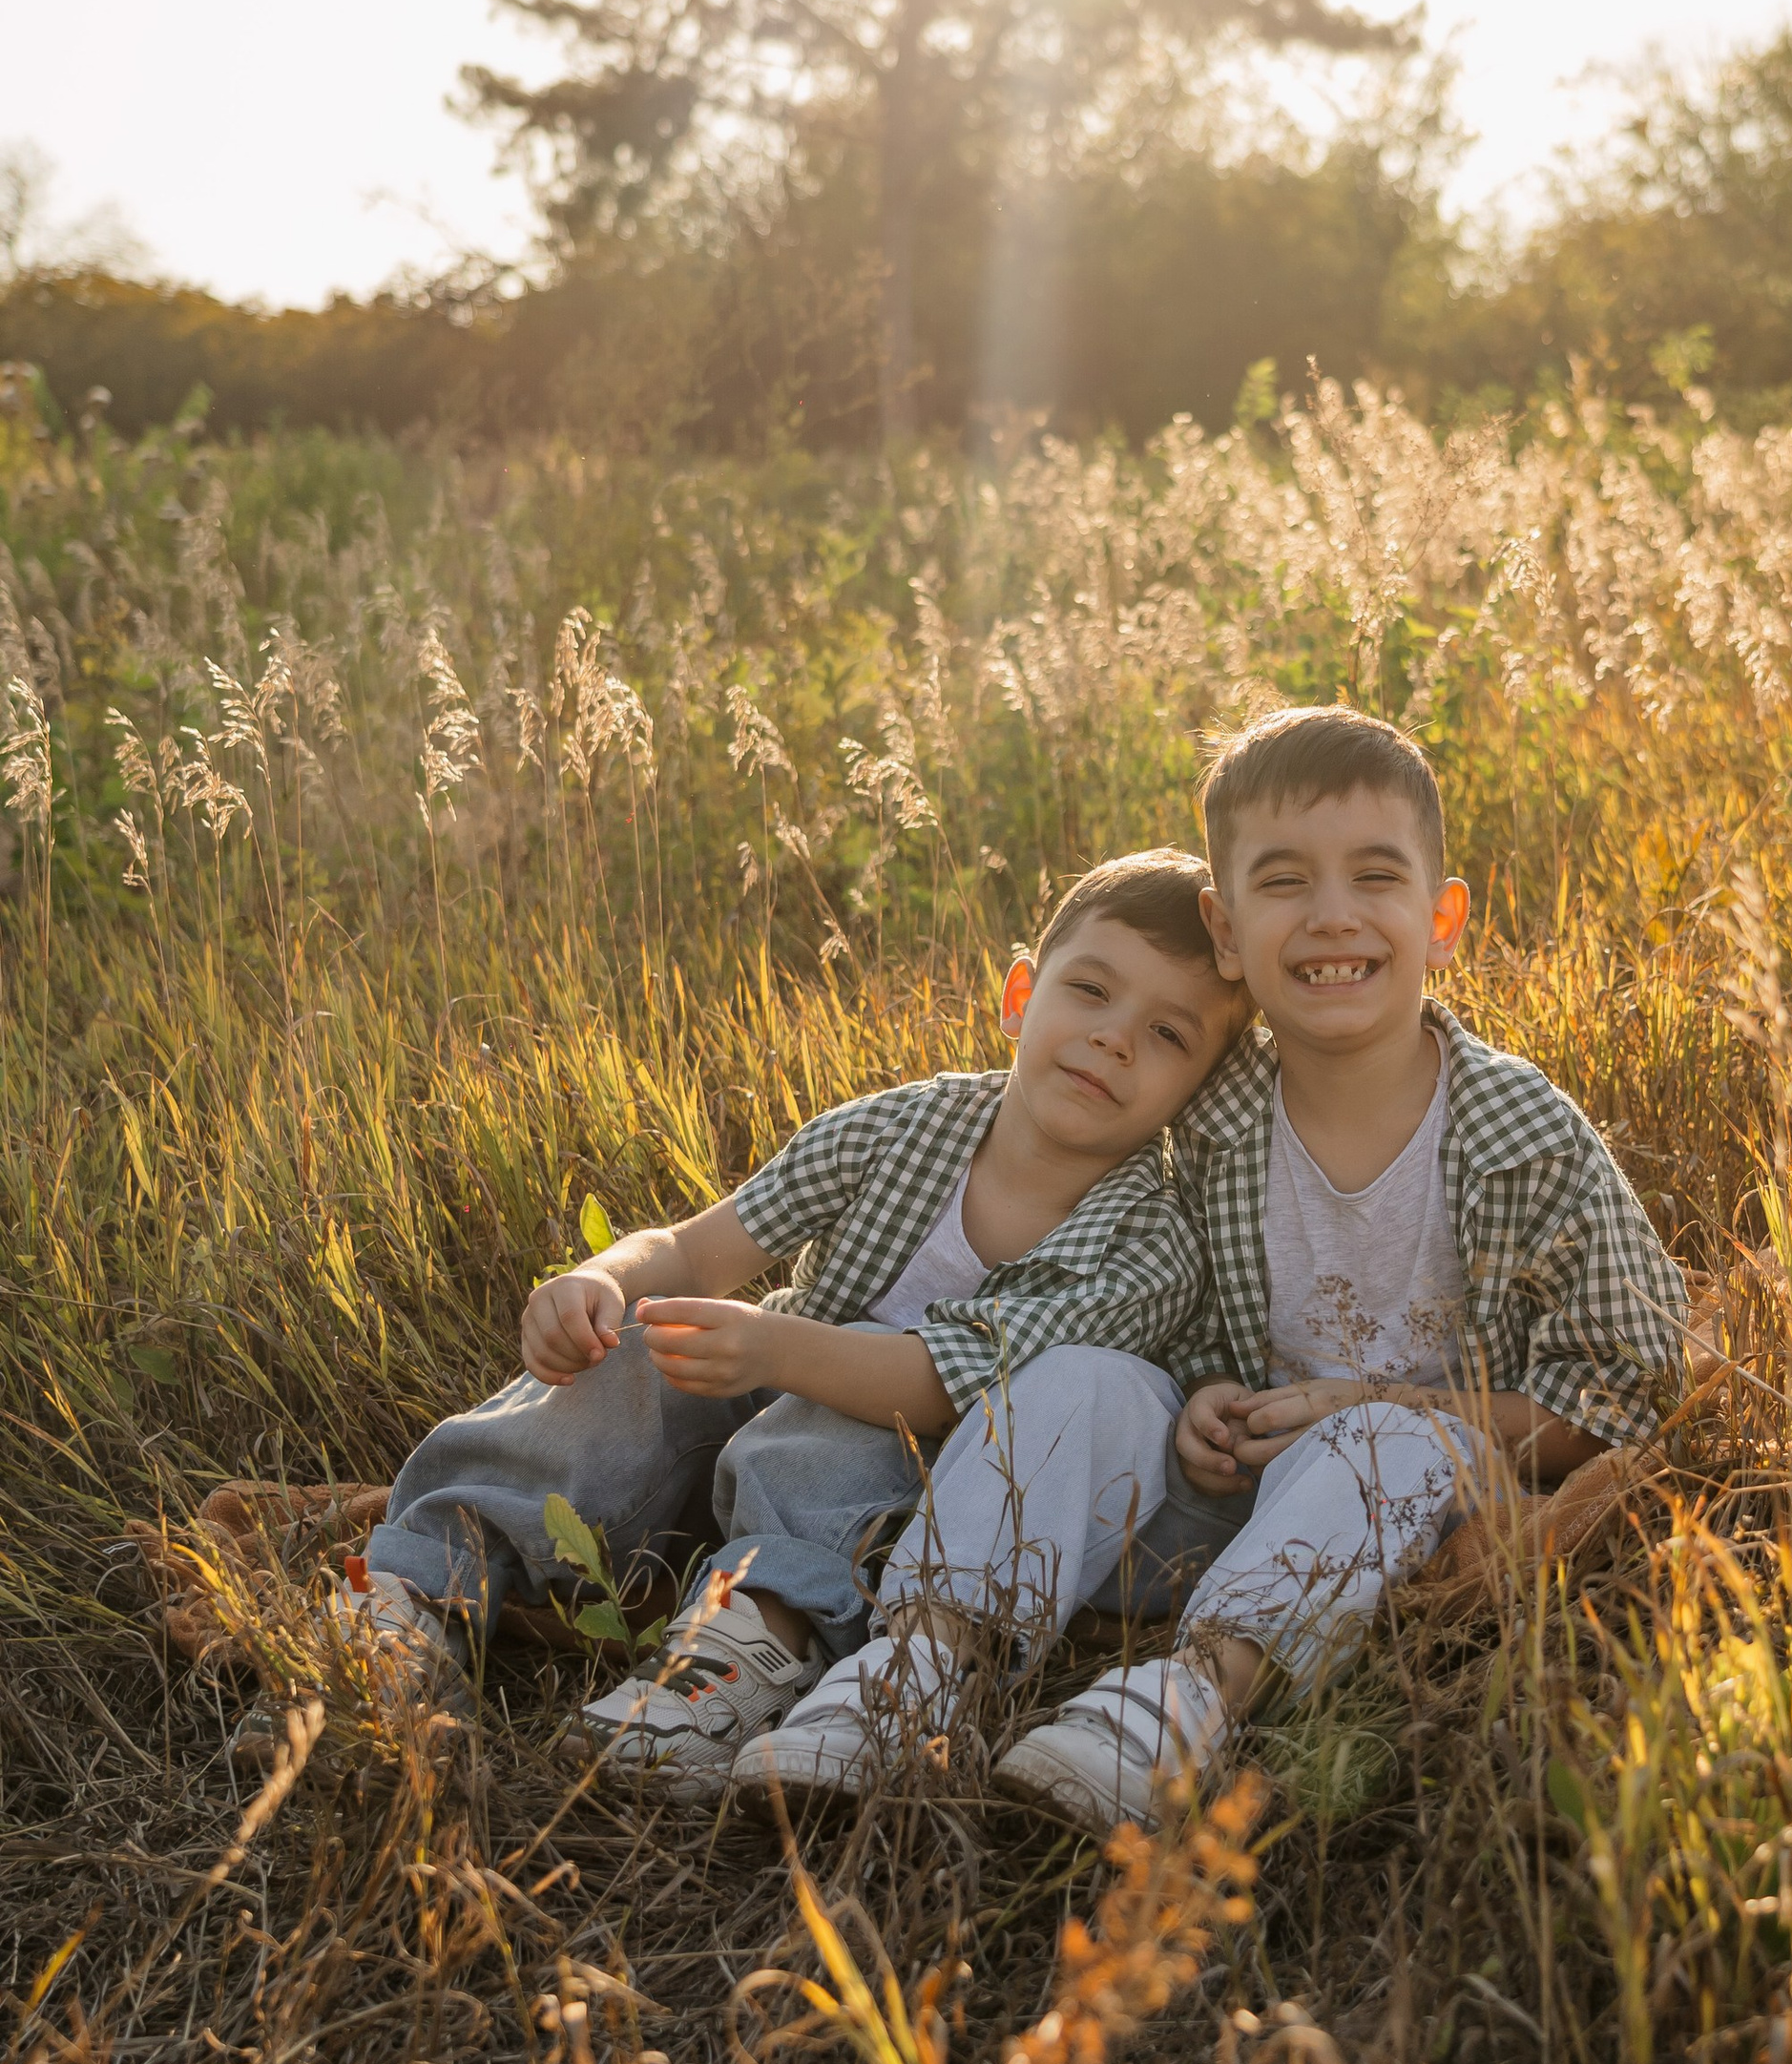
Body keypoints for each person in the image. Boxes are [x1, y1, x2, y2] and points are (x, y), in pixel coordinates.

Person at [736, 704, 1686, 1815]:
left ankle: (1189, 1697)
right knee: (1078, 1377)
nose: (1332, 916)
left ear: (1440, 919)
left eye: (1374, 876)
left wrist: (1370, 1401)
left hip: (1412, 1507)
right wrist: (1200, 1401)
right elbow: (1147, 1310)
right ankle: (920, 1665)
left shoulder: (1522, 1137)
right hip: (1220, 1506)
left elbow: (1617, 1399)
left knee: (1379, 1440)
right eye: (1283, 882)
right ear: (1226, 933)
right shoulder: (1204, 1116)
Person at [340, 851, 1245, 1777]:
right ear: (1020, 996)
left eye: (1167, 1034)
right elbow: (695, 1249)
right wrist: (603, 1279)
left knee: (851, 1399)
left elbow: (935, 1388)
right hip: (773, 1390)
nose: (1114, 1039)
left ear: (1201, 1093)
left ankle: (749, 1641)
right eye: (1090, 990)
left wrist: (776, 1349)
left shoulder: (1149, 1246)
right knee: (643, 1343)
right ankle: (419, 1587)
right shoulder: (901, 1126)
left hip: (916, 1483)